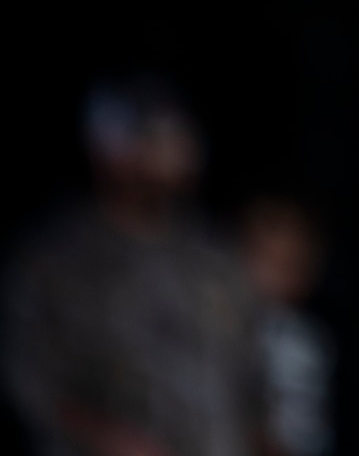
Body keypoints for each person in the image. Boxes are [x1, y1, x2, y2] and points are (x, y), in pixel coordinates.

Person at [3, 78, 268, 456]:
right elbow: (29, 381)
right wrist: (104, 437)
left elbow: (252, 376)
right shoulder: (54, 260)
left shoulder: (214, 257)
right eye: (153, 139)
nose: (175, 153)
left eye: (178, 139)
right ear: (108, 151)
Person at [239, 199, 334, 456]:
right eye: (265, 260)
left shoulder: (299, 340)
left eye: (288, 265)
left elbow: (301, 424)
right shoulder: (223, 321)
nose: (270, 276)